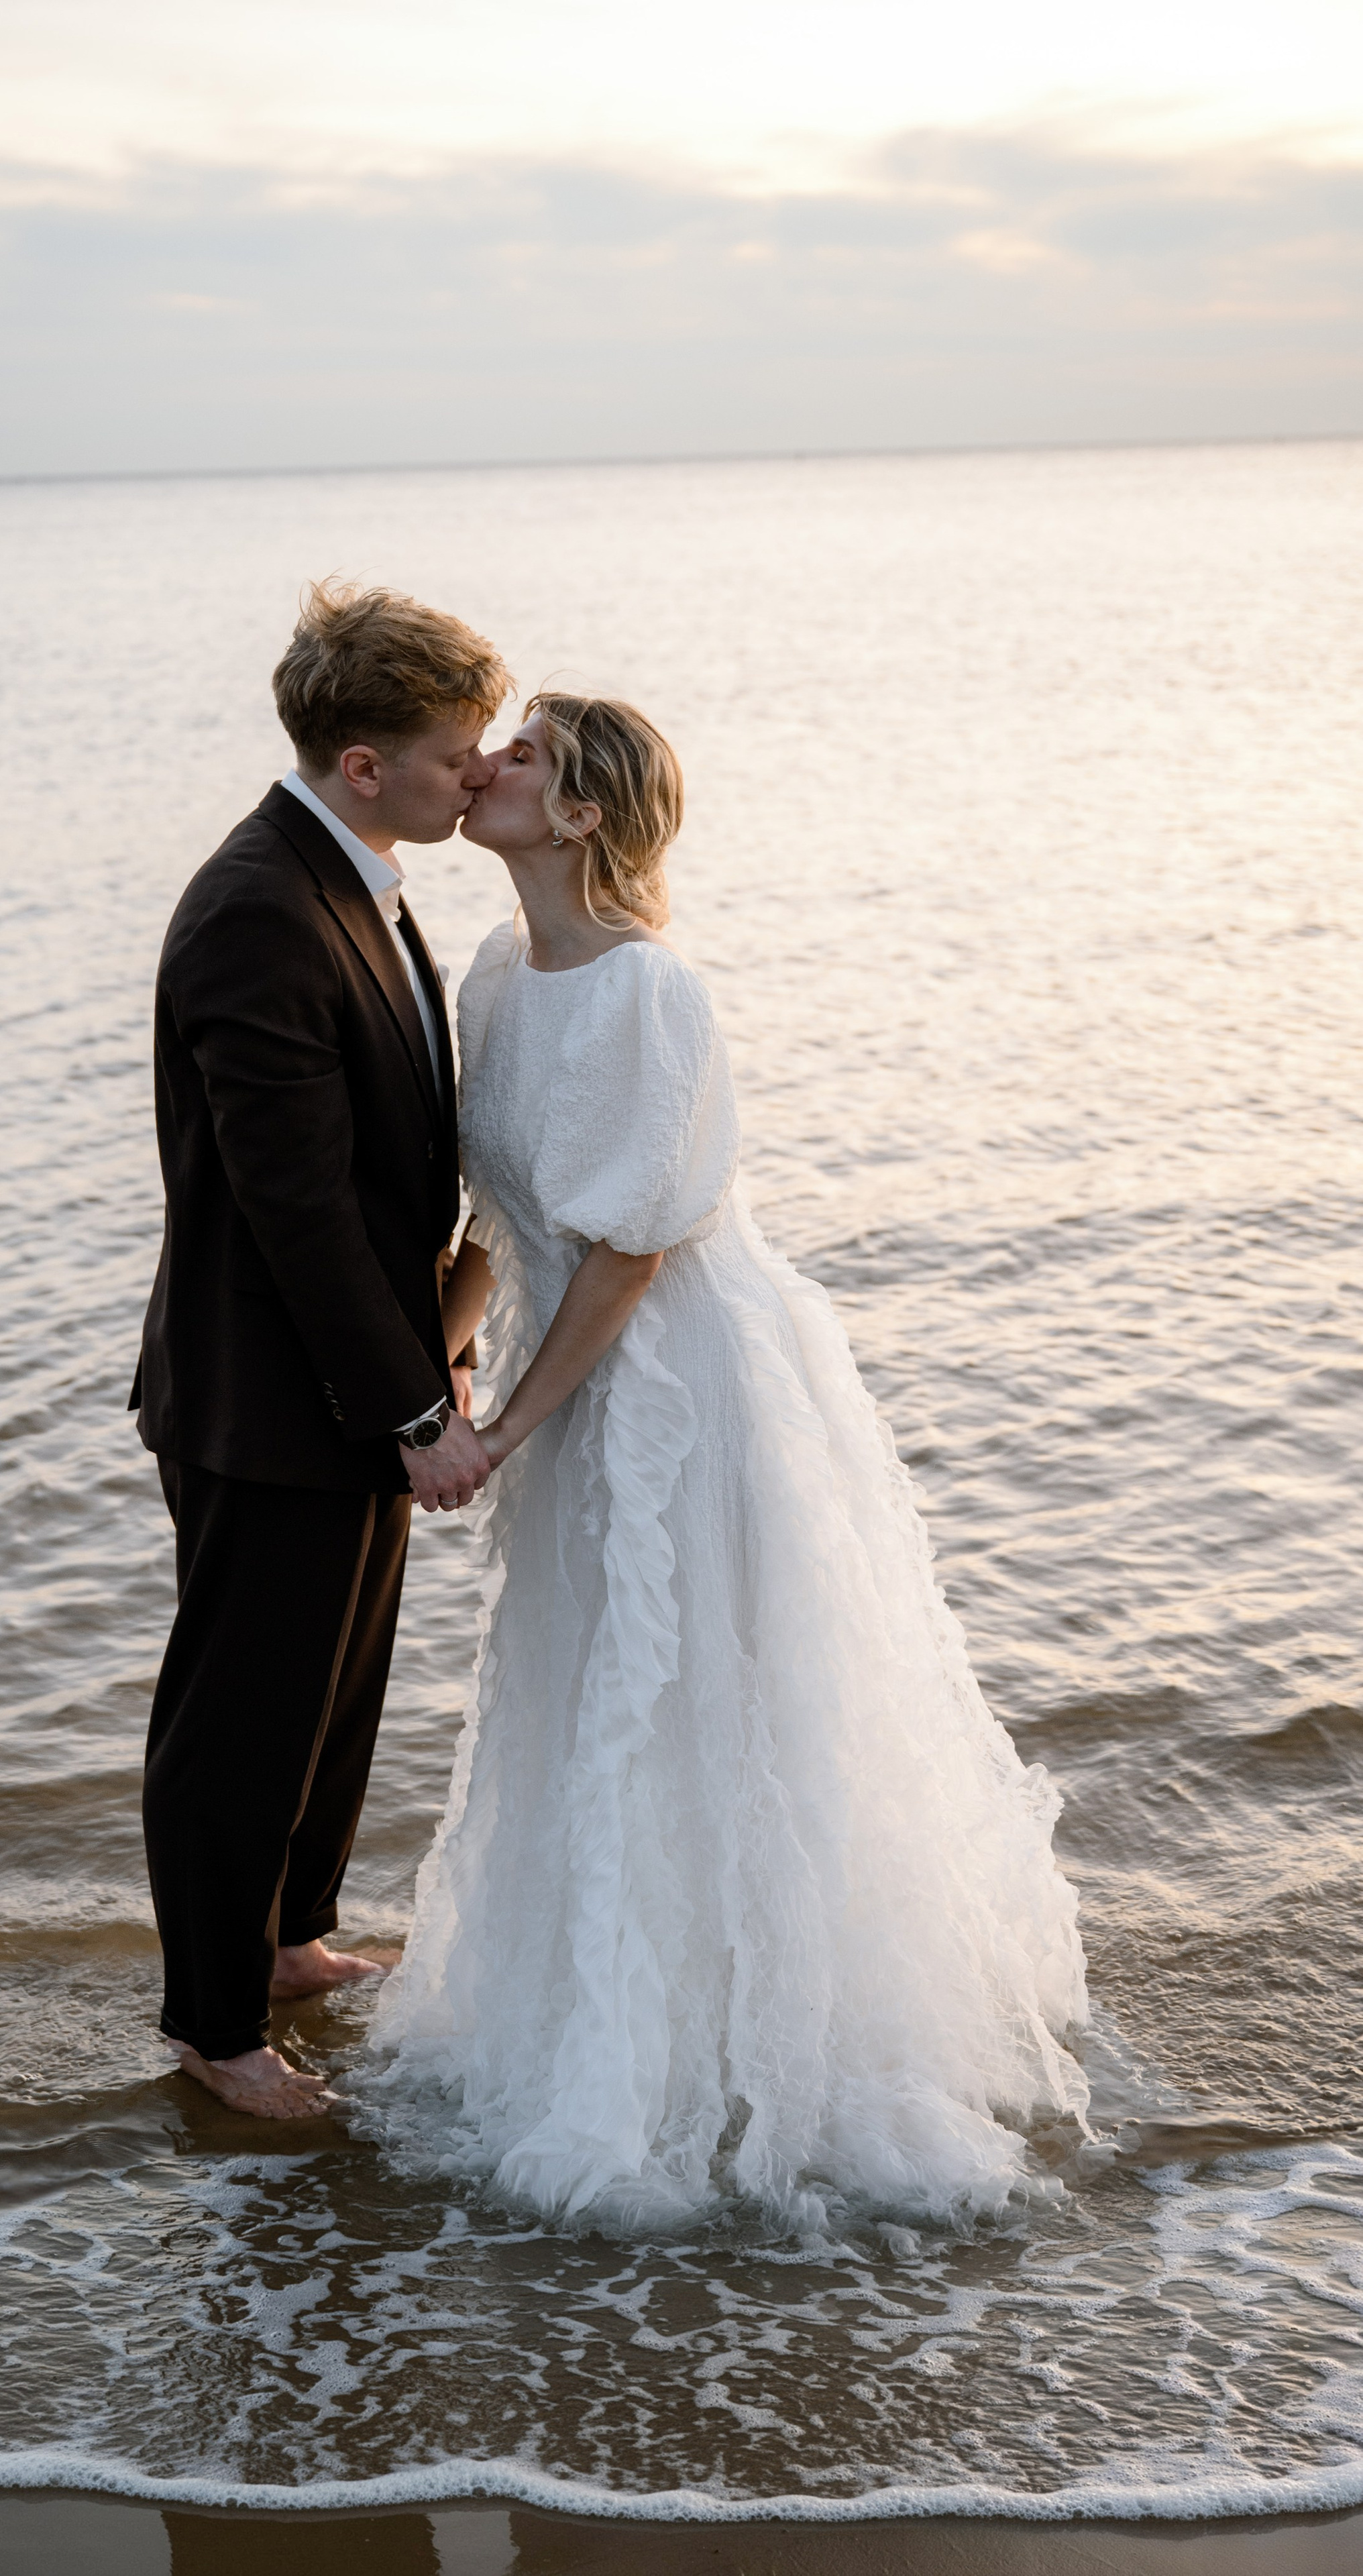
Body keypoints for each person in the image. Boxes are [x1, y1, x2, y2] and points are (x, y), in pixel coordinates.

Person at [365, 693, 1092, 2224]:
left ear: (576, 816)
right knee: (588, 1701)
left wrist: (497, 1431)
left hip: (676, 1389)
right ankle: (605, 2019)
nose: (481, 766)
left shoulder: (651, 995)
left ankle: (760, 2057)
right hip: (563, 1374)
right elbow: (510, 1210)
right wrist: (446, 1342)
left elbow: (627, 1251)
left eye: (521, 755)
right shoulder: (502, 970)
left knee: (702, 1697)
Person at [131, 582, 506, 2118]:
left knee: (334, 1691)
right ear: (364, 762)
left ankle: (286, 1940)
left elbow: (384, 1170)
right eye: (453, 754)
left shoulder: (355, 868)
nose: (475, 776)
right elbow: (291, 1212)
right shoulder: (255, 913)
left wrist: (441, 1354)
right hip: (265, 1394)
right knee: (241, 1715)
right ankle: (214, 2032)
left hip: (353, 1375)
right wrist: (417, 1407)